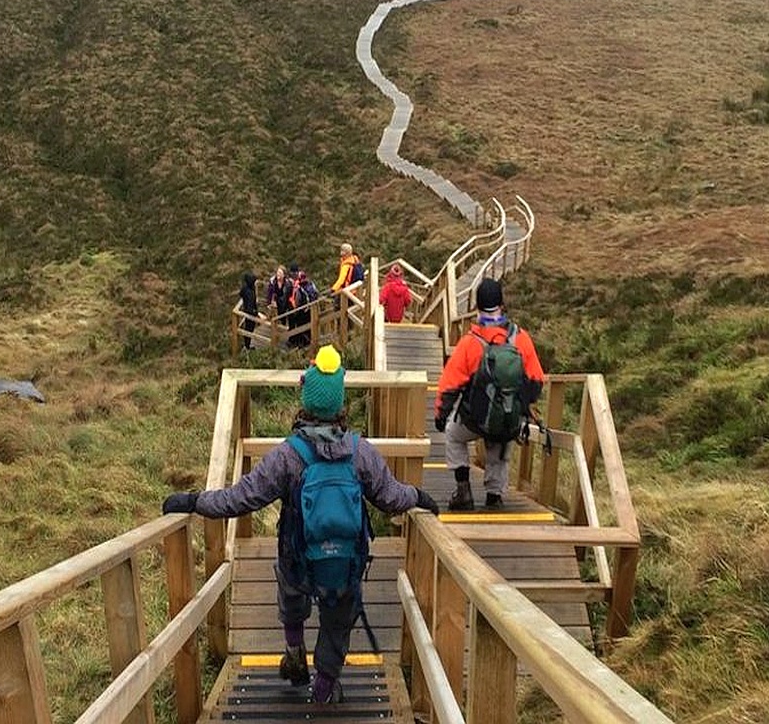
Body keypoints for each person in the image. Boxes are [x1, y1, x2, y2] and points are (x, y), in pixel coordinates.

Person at [162, 346, 440, 704]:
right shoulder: (361, 452)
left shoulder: (288, 456)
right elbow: (390, 496)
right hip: (346, 564)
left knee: (290, 587)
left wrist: (194, 501)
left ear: (305, 403)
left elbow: (239, 498)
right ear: (340, 404)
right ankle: (324, 687)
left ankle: (294, 653)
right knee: (338, 619)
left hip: (298, 561)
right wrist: (419, 496)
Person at [433, 278, 545, 510]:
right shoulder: (520, 339)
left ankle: (463, 491)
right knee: (500, 441)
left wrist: (441, 415)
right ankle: (495, 496)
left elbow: (449, 385)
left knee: (454, 434)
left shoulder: (470, 343)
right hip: (508, 421)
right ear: (502, 303)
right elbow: (536, 382)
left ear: (477, 306)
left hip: (475, 419)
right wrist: (520, 405)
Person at [289, 270, 318, 348]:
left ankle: (300, 344)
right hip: (311, 310)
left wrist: (294, 308)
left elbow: (297, 301)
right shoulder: (311, 284)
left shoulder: (300, 288)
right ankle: (308, 341)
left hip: (302, 311)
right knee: (308, 327)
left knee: (300, 327)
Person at [266, 265, 294, 344]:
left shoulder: (288, 283)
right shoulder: (273, 281)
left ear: (284, 275)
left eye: (280, 273)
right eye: (277, 272)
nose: (278, 274)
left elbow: (290, 294)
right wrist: (269, 302)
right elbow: (270, 293)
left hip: (286, 302)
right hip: (277, 301)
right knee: (278, 317)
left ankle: (284, 331)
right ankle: (278, 333)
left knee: (284, 316)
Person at [239, 271, 260, 350]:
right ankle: (247, 346)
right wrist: (257, 313)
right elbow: (250, 309)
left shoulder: (245, 288)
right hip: (250, 315)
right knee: (249, 329)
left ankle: (246, 345)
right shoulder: (250, 293)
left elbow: (241, 294)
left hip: (246, 312)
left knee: (247, 329)